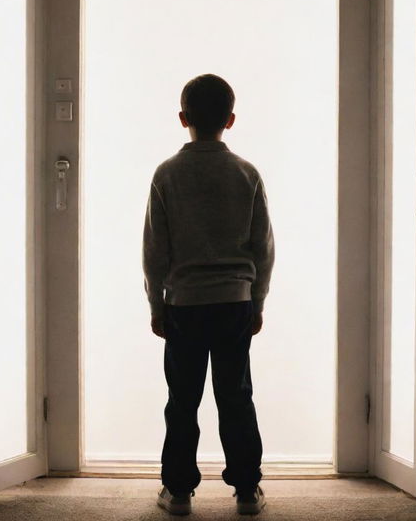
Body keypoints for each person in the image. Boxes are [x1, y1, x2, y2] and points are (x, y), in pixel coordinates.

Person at [142, 74, 275, 516]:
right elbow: (264, 247)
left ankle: (178, 491)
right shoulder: (246, 173)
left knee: (183, 399)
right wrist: (257, 301)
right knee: (236, 395)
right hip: (234, 301)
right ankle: (246, 489)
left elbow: (154, 251)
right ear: (230, 120)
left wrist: (156, 305)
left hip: (185, 304)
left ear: (183, 119)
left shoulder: (167, 174)